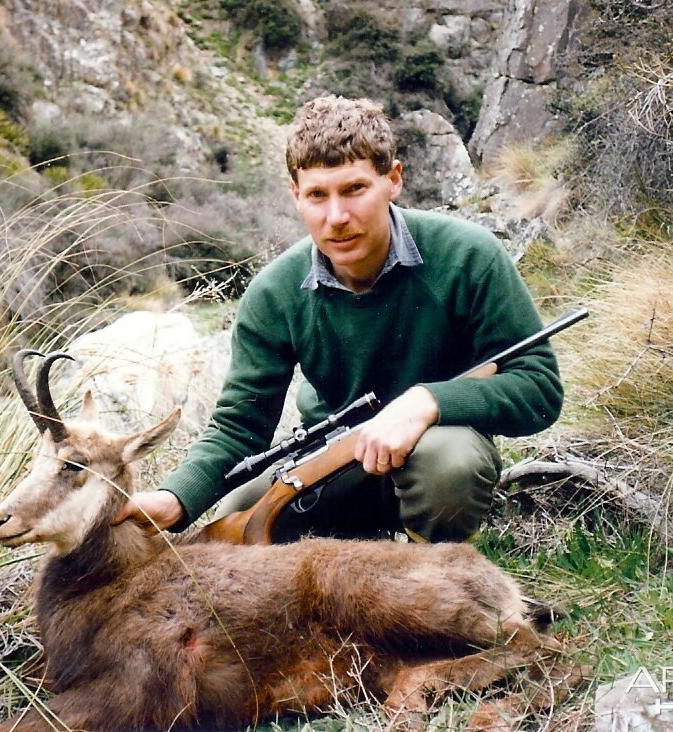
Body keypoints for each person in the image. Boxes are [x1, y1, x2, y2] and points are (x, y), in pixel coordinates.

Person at [114, 95, 562, 543]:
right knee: (237, 522)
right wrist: (176, 497)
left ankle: (432, 575)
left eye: (354, 189)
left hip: (435, 449)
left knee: (450, 463)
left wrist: (430, 401)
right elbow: (239, 425)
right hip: (331, 460)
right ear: (295, 196)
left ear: (394, 180)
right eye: (316, 195)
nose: (337, 217)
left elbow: (539, 387)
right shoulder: (274, 293)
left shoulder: (469, 254)